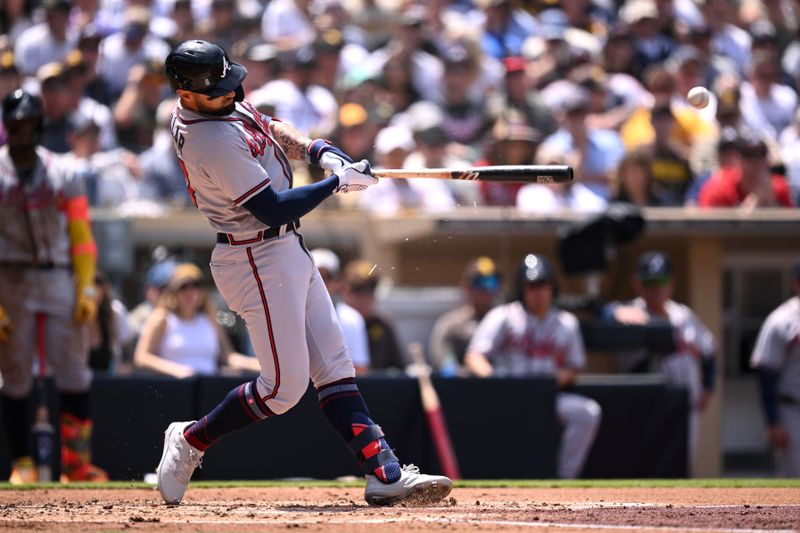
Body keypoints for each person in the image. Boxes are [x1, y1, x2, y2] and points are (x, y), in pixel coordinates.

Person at [156, 40, 451, 506]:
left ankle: (384, 471)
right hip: (254, 256)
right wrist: (336, 184)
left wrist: (323, 151)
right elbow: (269, 208)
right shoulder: (207, 138)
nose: (234, 93)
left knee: (336, 365)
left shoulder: (218, 104)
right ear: (188, 94)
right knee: (282, 390)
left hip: (284, 248)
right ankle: (191, 440)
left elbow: (270, 127)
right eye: (221, 90)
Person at [0, 90, 107, 483]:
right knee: (13, 374)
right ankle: (23, 463)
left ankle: (75, 463)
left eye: (29, 124)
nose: (23, 132)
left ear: (40, 126)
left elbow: (81, 236)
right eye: (17, 125)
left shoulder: (64, 171)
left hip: (60, 274)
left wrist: (87, 289)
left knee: (75, 372)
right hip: (9, 278)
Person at [464, 254, 602, 479]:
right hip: (508, 395)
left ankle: (566, 478)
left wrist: (555, 380)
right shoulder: (504, 316)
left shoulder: (566, 322)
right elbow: (474, 356)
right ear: (522, 289)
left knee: (587, 413)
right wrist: (495, 379)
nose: (538, 292)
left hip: (547, 396)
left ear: (553, 288)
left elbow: (574, 366)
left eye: (543, 285)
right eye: (532, 286)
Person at [602, 251, 716, 463]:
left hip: (685, 403)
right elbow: (600, 310)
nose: (656, 288)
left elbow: (709, 352)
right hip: (646, 405)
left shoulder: (684, 315)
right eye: (650, 282)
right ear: (637, 284)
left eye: (662, 281)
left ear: (672, 283)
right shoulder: (631, 312)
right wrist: (614, 312)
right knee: (646, 462)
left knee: (682, 463)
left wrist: (708, 387)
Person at [134, 262, 260, 378]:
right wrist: (176, 370)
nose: (191, 292)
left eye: (196, 285)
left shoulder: (209, 318)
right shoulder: (162, 317)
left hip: (206, 388)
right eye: (183, 287)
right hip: (174, 388)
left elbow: (228, 356)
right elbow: (142, 357)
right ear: (173, 291)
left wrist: (259, 366)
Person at [750, 260, 800, 478]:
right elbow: (766, 372)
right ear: (796, 284)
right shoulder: (781, 320)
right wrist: (773, 421)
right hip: (792, 410)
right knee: (793, 482)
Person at [428, 256, 501, 376]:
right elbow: (445, 365)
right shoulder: (451, 324)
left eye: (491, 282)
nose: (485, 289)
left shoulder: (506, 322)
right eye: (478, 283)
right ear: (466, 287)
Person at [310, 248, 370, 374]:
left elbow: (360, 368)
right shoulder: (291, 316)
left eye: (326, 277)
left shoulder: (352, 319)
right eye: (314, 276)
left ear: (337, 282)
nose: (320, 283)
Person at [342, 259, 407, 373]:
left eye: (371, 289)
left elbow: (398, 367)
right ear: (345, 290)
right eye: (359, 289)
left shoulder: (382, 324)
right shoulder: (337, 323)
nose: (366, 296)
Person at [87, 270, 134, 374]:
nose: (93, 288)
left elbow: (127, 347)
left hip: (110, 380)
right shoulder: (68, 315)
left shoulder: (115, 312)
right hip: (77, 383)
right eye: (87, 282)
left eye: (97, 282)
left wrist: (124, 368)